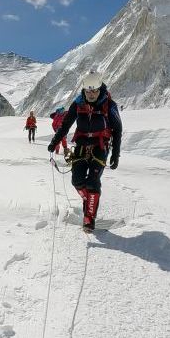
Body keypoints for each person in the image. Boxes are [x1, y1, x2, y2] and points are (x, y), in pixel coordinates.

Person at [47, 71, 123, 233]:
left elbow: (117, 130)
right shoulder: (78, 102)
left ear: (100, 88)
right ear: (84, 90)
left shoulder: (109, 105)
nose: (91, 94)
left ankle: (89, 218)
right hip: (81, 146)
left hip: (100, 146)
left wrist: (115, 154)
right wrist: (54, 142)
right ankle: (89, 200)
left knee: (93, 181)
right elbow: (66, 124)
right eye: (88, 91)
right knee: (77, 181)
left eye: (94, 91)